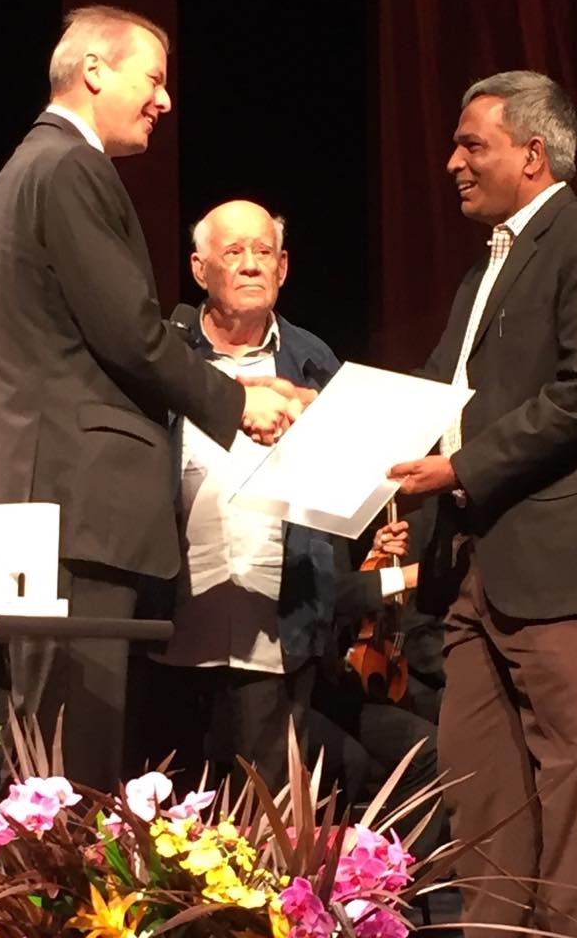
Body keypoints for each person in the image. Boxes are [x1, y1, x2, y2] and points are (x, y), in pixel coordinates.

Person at [0, 7, 300, 792]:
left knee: (43, 755)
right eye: (153, 78)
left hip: (39, 494)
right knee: (67, 767)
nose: (165, 99)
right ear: (93, 73)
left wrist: (234, 384)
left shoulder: (27, 171)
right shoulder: (70, 169)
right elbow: (127, 333)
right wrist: (236, 405)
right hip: (72, 503)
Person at [389, 71, 577, 937]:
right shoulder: (481, 277)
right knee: (481, 798)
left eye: (472, 145)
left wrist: (459, 470)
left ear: (533, 155)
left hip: (574, 568)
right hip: (476, 573)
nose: (451, 163)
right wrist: (333, 431)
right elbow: (430, 399)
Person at [143, 199, 419, 794]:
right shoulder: (162, 354)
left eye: (262, 252)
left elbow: (361, 473)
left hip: (279, 630)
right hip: (168, 623)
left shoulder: (314, 360)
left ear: (283, 268)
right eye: (233, 252)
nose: (249, 265)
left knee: (262, 821)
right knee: (159, 811)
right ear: (199, 269)